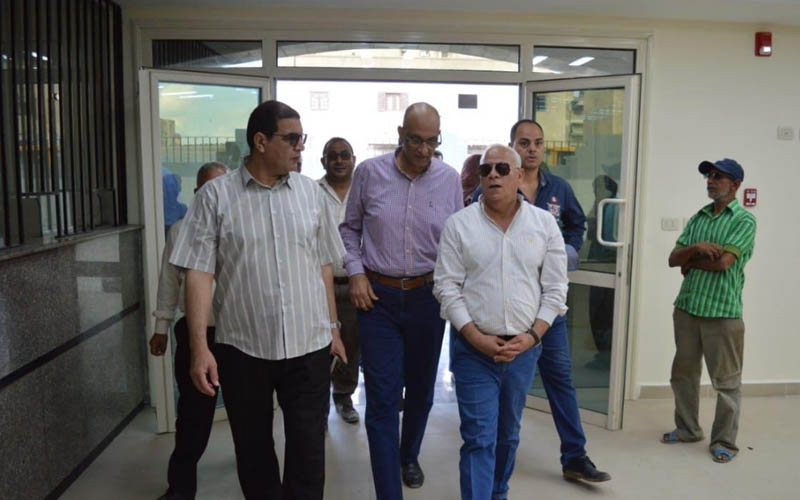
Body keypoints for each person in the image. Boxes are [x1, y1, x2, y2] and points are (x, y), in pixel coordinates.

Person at [170, 100, 347, 500]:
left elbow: (323, 265)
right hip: (242, 349)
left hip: (308, 346)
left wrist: (334, 328)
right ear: (261, 141)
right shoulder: (215, 197)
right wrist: (199, 348)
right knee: (253, 453)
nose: (301, 147)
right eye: (292, 138)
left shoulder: (311, 194)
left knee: (308, 453)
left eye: (302, 138)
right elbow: (198, 274)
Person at [472, 120, 609, 482]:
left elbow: (577, 225)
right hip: (507, 309)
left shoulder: (558, 188)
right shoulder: (493, 184)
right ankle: (492, 458)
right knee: (499, 388)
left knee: (559, 378)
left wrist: (568, 250)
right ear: (512, 147)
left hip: (548, 310)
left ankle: (575, 456)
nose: (532, 149)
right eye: (524, 143)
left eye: (537, 143)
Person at [340, 102, 463, 499]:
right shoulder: (369, 173)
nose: (424, 149)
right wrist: (356, 273)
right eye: (415, 140)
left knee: (422, 390)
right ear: (399, 134)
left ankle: (409, 454)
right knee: (382, 397)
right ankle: (388, 491)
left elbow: (457, 240)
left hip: (428, 297)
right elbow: (349, 229)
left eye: (431, 141)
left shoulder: (448, 180)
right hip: (377, 298)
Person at [435, 144, 568, 500]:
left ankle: (498, 492)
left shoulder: (544, 224)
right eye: (486, 169)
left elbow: (556, 289)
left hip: (523, 351)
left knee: (508, 434)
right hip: (474, 350)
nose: (493, 174)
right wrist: (474, 336)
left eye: (502, 169)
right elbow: (446, 287)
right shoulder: (459, 225)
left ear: (520, 176)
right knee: (479, 437)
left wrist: (533, 336)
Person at [662, 158, 756, 464]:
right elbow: (673, 259)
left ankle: (724, 441)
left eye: (718, 176)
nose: (710, 181)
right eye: (709, 176)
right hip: (688, 308)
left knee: (726, 383)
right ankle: (688, 429)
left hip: (723, 313)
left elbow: (724, 263)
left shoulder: (744, 220)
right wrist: (695, 249)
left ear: (736, 185)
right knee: (683, 374)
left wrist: (691, 262)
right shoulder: (698, 218)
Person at [151, 162, 228, 500]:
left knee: (250, 416)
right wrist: (161, 326)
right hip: (197, 336)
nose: (216, 195)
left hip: (238, 336)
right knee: (193, 417)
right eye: (208, 188)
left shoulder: (240, 229)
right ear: (197, 193)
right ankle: (180, 489)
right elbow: (169, 281)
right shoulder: (181, 231)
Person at [318, 136, 360, 424]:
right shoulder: (312, 192)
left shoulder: (364, 191)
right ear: (323, 161)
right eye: (332, 156)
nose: (339, 160)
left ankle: (344, 398)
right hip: (320, 285)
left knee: (352, 344)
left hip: (356, 284)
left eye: (345, 155)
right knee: (319, 347)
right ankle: (319, 407)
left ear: (353, 159)